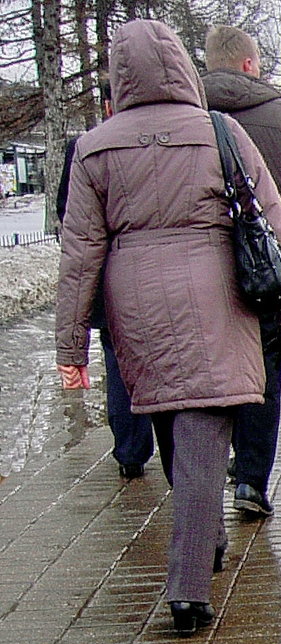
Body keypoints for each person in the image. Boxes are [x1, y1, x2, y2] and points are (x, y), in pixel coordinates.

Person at [55, 19, 281, 634]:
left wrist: (73, 345)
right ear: (182, 69)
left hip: (135, 305)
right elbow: (274, 222)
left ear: (120, 76)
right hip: (217, 297)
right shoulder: (223, 132)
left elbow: (80, 250)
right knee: (202, 431)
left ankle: (203, 537)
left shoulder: (94, 148)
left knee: (175, 425)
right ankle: (189, 586)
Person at [202, 25, 281, 517]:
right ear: (251, 64)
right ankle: (251, 482)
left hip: (202, 272)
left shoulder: (186, 117)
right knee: (265, 369)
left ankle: (205, 475)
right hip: (271, 269)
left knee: (208, 373)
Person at [56, 83, 154, 480]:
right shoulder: (174, 137)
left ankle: (131, 451)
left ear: (110, 104)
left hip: (114, 277)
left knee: (119, 362)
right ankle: (179, 449)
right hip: (168, 274)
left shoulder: (86, 147)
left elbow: (72, 219)